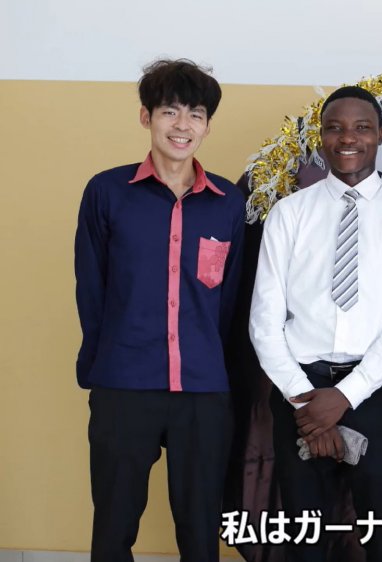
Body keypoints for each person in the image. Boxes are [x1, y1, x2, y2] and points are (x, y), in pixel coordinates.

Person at [248, 85, 382, 561]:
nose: (347, 138)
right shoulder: (289, 213)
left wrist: (346, 395)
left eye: (361, 128)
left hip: (375, 390)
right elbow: (264, 320)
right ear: (321, 137)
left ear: (381, 135)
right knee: (305, 534)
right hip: (299, 391)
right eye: (335, 128)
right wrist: (305, 402)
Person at [74, 59, 244, 561]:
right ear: (146, 117)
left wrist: (219, 371)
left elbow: (230, 300)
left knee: (200, 533)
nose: (182, 125)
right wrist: (101, 369)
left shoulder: (228, 203)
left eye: (195, 114)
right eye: (170, 111)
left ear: (208, 125)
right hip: (124, 383)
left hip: (203, 390)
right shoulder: (107, 192)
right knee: (113, 527)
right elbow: (91, 288)